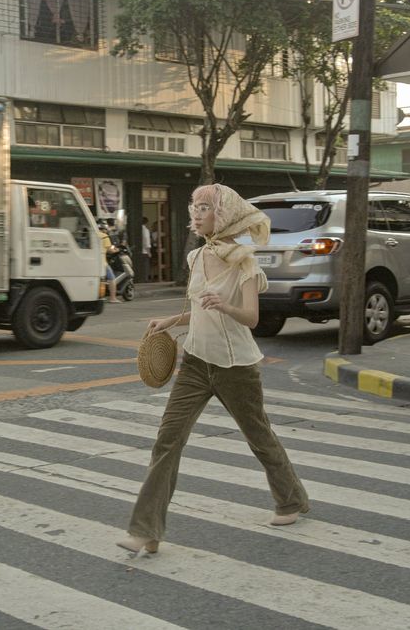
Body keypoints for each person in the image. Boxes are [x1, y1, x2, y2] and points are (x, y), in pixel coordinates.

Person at [117, 183, 309, 554]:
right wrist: (172, 320)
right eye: (193, 206)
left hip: (236, 365)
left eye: (204, 207)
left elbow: (251, 318)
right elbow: (198, 308)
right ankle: (146, 531)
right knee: (167, 440)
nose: (196, 213)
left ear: (224, 215)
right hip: (195, 361)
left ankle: (290, 499)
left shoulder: (245, 261)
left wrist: (225, 305)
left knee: (259, 437)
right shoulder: (195, 258)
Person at [97, 220, 120, 303]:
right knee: (111, 278)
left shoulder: (93, 234)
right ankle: (113, 298)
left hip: (92, 262)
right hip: (102, 262)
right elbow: (110, 250)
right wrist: (116, 250)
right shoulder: (104, 236)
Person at [141, 216, 152, 282]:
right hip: (145, 251)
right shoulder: (146, 230)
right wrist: (149, 252)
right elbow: (147, 242)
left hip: (139, 251)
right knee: (145, 267)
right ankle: (145, 279)